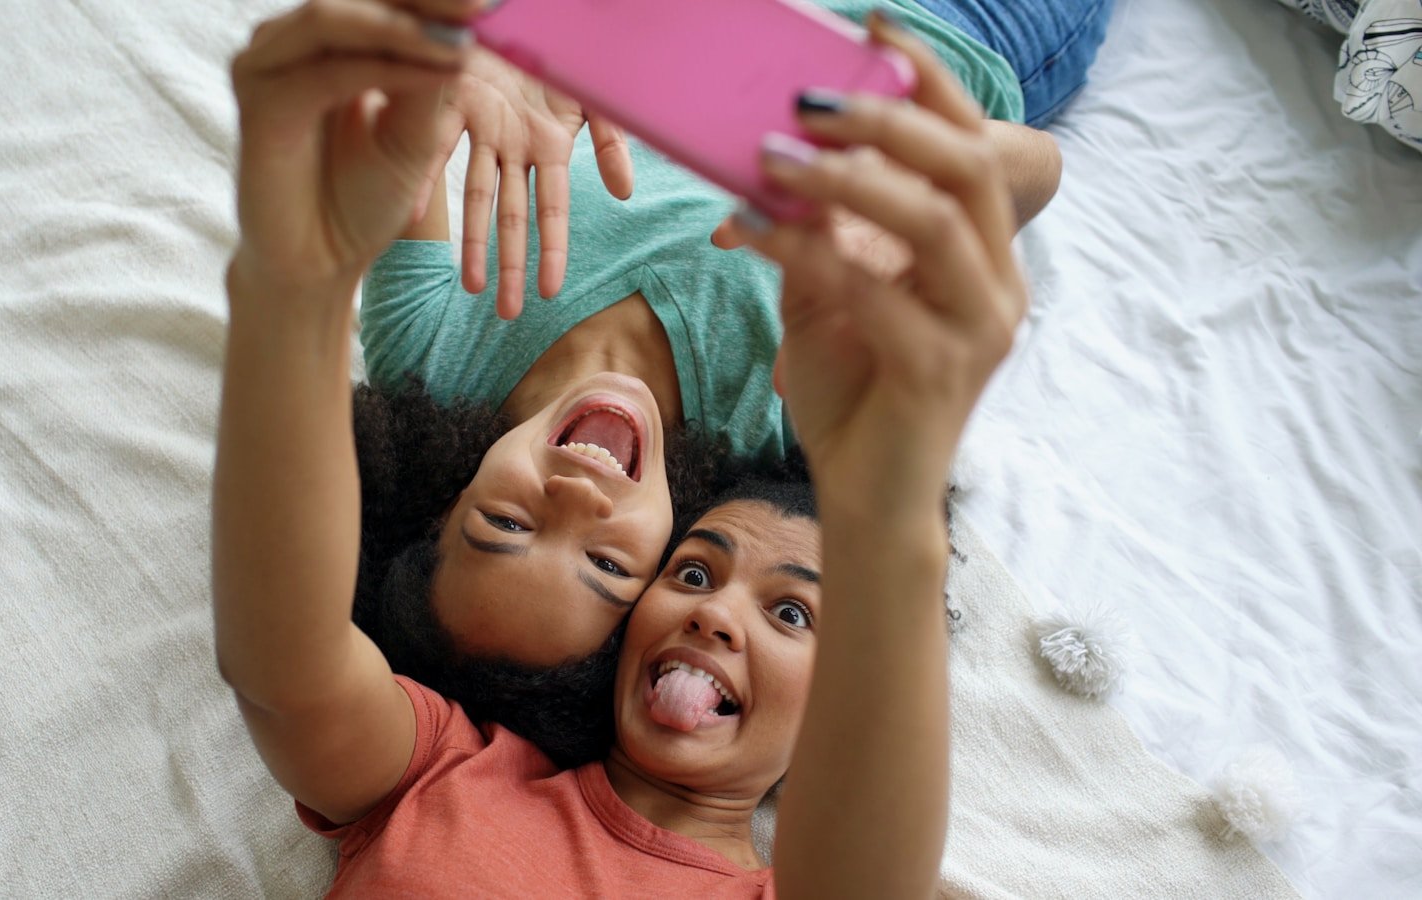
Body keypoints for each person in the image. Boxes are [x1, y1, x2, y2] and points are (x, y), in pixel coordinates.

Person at [214, 9, 1028, 893]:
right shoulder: (777, 438)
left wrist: (293, 289)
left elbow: (286, 669)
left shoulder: (447, 776)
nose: (577, 496)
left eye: (506, 523)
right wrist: (894, 505)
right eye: (637, 567)